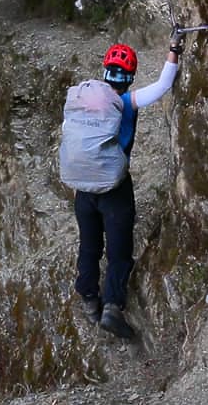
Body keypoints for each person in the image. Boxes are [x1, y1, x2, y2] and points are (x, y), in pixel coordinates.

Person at [72, 35, 183, 338]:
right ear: (130, 77)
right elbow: (162, 86)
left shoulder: (85, 98)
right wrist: (173, 50)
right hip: (115, 189)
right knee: (119, 250)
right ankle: (112, 307)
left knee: (89, 245)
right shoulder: (126, 102)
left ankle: (89, 298)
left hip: (83, 187)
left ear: (104, 70)